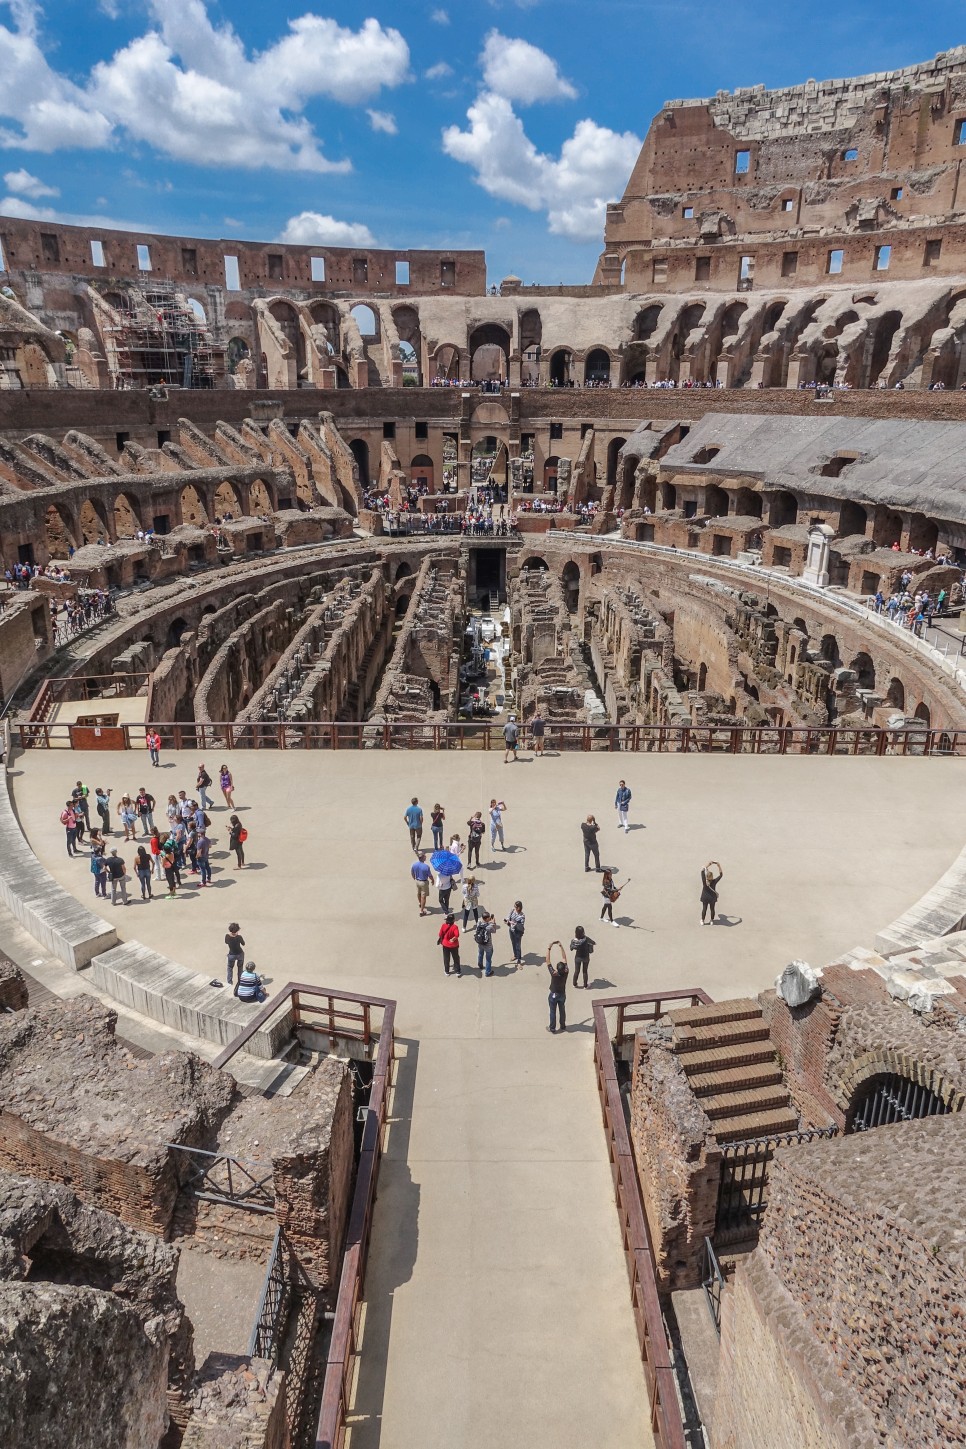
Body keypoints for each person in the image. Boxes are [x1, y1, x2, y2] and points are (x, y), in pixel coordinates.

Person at [546, 941, 569, 1032]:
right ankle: (563, 1025)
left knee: (552, 1011)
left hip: (553, 994)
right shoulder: (566, 972)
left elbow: (547, 960)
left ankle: (552, 1028)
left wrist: (549, 948)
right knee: (562, 1009)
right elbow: (564, 958)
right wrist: (561, 946)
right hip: (562, 994)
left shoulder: (554, 973)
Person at [411, 852, 434, 916]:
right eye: (425, 856)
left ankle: (420, 903)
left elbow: (412, 873)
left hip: (417, 881)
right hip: (424, 882)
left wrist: (414, 878)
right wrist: (432, 880)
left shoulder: (414, 865)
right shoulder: (426, 867)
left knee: (418, 893)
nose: (426, 857)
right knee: (423, 896)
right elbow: (430, 875)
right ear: (422, 858)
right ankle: (421, 911)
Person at [505, 900, 525, 964]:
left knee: (518, 946)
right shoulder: (512, 910)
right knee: (513, 943)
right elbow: (508, 917)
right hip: (511, 930)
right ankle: (515, 955)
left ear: (519, 907)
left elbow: (520, 924)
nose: (514, 907)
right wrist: (508, 921)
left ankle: (519, 960)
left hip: (517, 932)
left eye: (516, 906)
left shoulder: (522, 915)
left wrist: (512, 922)